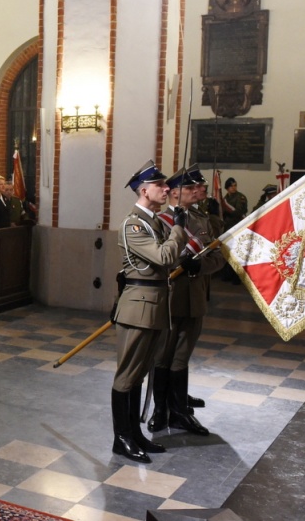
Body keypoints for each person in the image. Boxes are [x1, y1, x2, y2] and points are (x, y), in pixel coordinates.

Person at [110, 160, 186, 463]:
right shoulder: (133, 224)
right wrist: (179, 227)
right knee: (127, 376)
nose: (167, 189)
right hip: (138, 308)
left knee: (140, 374)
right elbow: (166, 256)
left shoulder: (153, 221)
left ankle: (135, 433)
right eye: (160, 185)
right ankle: (122, 438)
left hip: (153, 306)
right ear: (144, 190)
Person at [147, 168, 224, 437]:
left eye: (199, 187)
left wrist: (198, 266)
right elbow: (154, 259)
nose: (199, 191)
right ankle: (160, 411)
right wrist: (181, 263)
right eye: (192, 188)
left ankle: (179, 412)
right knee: (162, 355)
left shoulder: (203, 222)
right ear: (175, 192)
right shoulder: (159, 221)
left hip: (195, 297)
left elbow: (219, 256)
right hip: (169, 297)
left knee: (181, 357)